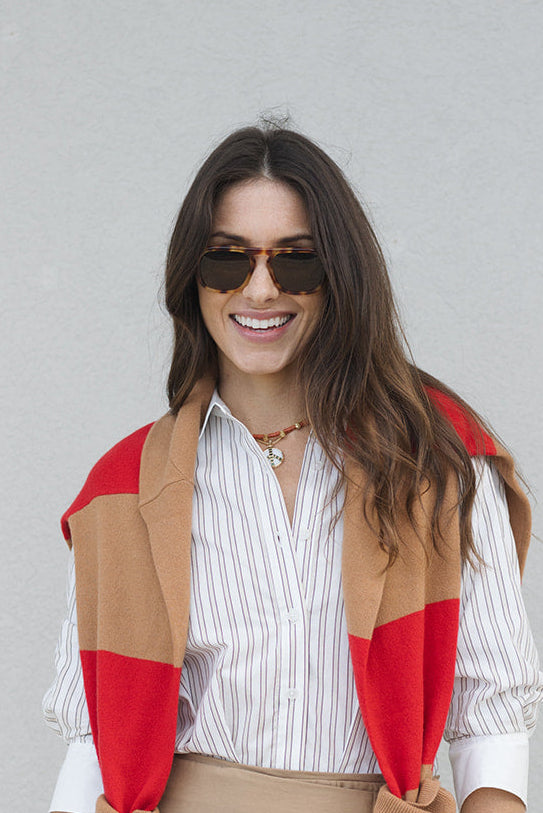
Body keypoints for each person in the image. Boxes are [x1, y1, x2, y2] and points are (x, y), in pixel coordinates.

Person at [43, 125, 542, 813]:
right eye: (226, 260)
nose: (259, 289)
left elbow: (491, 713)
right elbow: (95, 742)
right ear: (192, 276)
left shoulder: (437, 460)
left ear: (339, 274)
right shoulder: (121, 491)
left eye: (296, 261)